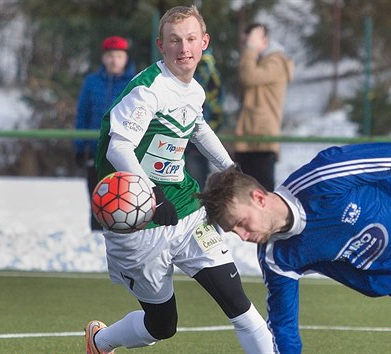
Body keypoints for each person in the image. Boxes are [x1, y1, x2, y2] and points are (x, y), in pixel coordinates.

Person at [197, 142, 391, 354]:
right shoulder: (278, 256)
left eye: (240, 223)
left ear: (259, 198)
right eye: (232, 231)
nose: (240, 235)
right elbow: (283, 327)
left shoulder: (324, 176)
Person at [86, 6, 274, 354]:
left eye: (190, 39)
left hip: (188, 211)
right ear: (162, 45)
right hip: (139, 222)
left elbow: (197, 126)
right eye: (174, 40)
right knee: (162, 325)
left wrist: (229, 167)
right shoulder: (147, 90)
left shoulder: (194, 90)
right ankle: (100, 342)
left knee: (240, 307)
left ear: (204, 42)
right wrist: (153, 197)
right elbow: (119, 148)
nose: (183, 47)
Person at [75, 35, 136, 231]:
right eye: (110, 55)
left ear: (125, 58)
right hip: (96, 150)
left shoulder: (135, 83)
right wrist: (79, 147)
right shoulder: (92, 82)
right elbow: (82, 114)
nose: (114, 60)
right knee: (96, 197)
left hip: (125, 150)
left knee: (125, 199)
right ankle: (94, 238)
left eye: (118, 55)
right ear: (103, 58)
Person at [234, 23, 294, 191]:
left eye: (249, 43)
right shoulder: (256, 61)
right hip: (248, 138)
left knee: (260, 193)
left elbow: (249, 77)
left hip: (261, 139)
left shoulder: (276, 62)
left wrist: (251, 48)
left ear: (264, 41)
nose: (245, 48)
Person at [184, 47, 225, 189]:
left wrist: (201, 133)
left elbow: (214, 107)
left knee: (195, 188)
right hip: (176, 138)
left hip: (194, 139)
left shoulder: (206, 72)